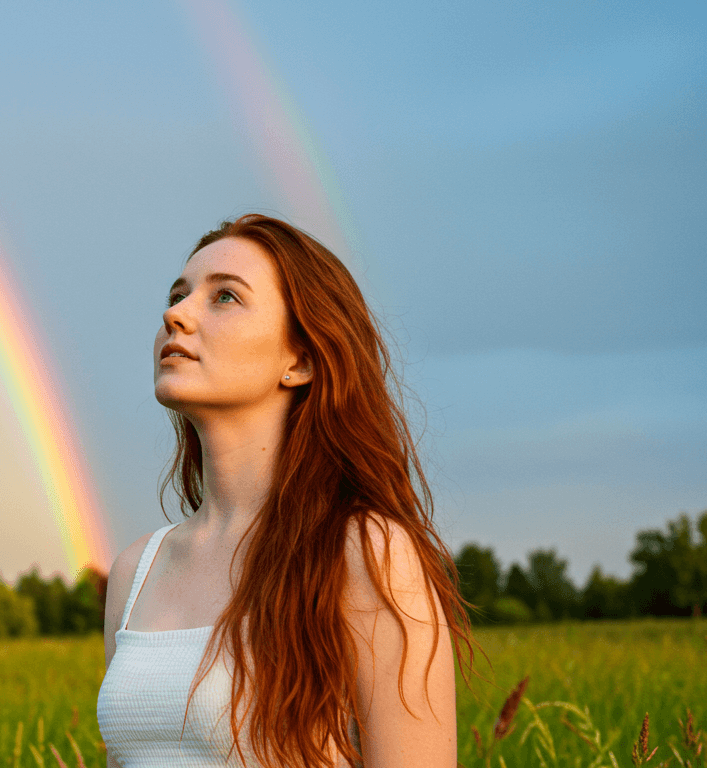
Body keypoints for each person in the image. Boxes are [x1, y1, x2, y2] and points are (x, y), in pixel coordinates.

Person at [96, 215, 473, 767]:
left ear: (299, 360)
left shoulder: (365, 552)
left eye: (224, 296)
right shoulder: (136, 571)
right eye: (178, 294)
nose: (175, 313)